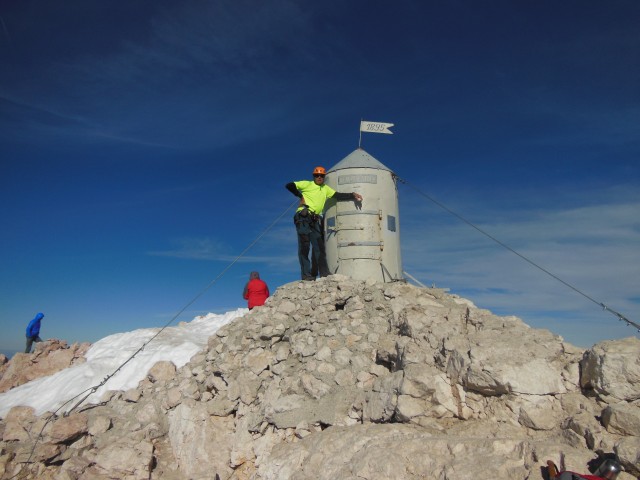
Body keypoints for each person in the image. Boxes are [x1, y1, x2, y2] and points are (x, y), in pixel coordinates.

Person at [286, 166, 363, 281]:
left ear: (324, 177)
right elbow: (289, 185)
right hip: (303, 218)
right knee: (305, 246)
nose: (319, 177)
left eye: (321, 175)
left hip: (315, 220)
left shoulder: (326, 189)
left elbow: (337, 195)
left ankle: (324, 273)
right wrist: (300, 196)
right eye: (317, 175)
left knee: (319, 247)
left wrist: (352, 195)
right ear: (313, 176)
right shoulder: (307, 184)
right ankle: (306, 275)